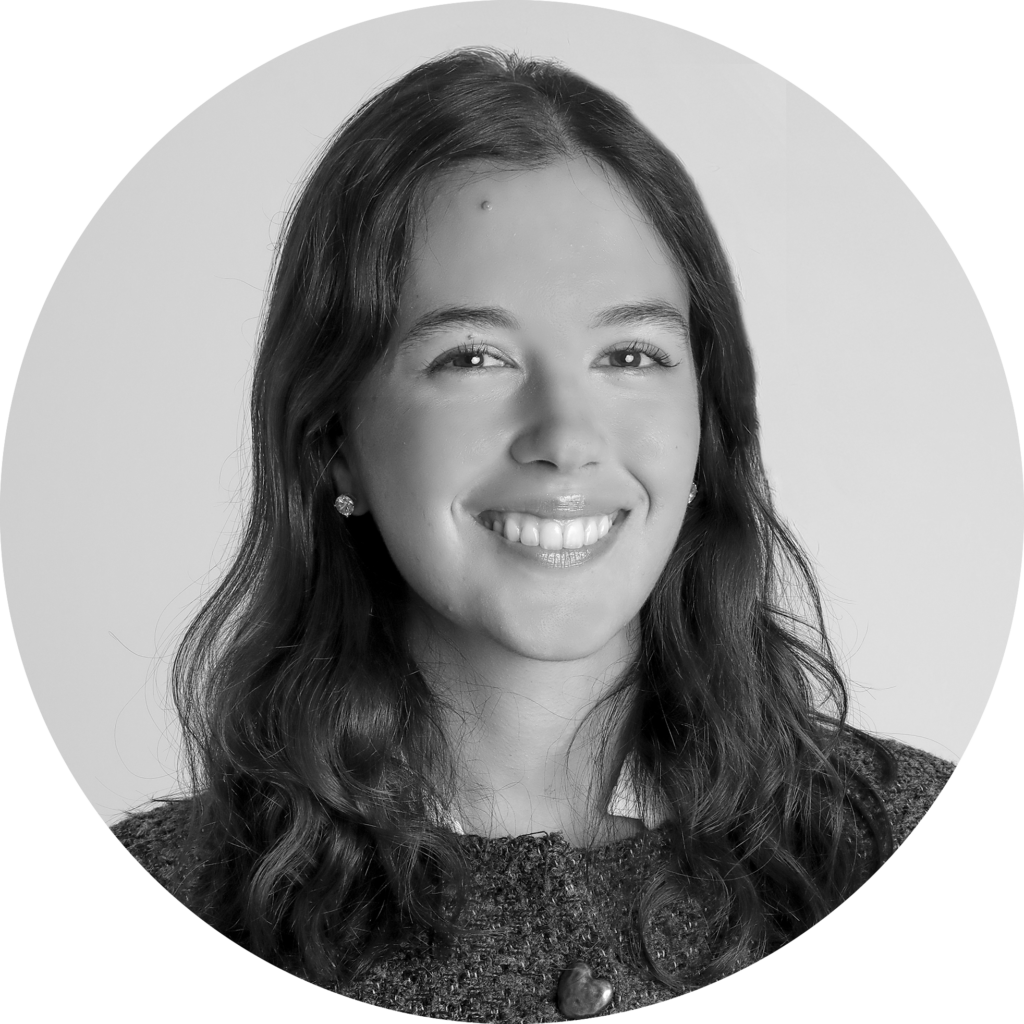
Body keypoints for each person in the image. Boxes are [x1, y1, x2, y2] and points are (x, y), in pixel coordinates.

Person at [110, 47, 953, 1020]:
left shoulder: (897, 831)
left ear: (705, 420)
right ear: (334, 442)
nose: (565, 437)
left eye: (629, 353)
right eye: (473, 356)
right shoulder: (177, 887)